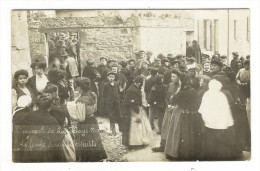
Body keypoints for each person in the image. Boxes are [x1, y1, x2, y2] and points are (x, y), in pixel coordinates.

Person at [14, 93, 66, 162]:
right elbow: (58, 138)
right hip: (47, 152)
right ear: (50, 106)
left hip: (31, 147)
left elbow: (19, 125)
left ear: (37, 105)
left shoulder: (30, 115)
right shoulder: (52, 120)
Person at [199, 76, 241, 160]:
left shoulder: (207, 94)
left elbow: (202, 110)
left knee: (211, 143)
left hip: (210, 124)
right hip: (221, 125)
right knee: (221, 145)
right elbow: (226, 110)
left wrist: (207, 120)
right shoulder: (222, 95)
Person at [164, 74, 202, 160]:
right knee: (190, 135)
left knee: (178, 135)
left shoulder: (181, 92)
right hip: (192, 116)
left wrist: (177, 92)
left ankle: (176, 153)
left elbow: (172, 100)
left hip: (181, 116)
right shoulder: (193, 90)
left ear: (182, 82)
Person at [74, 77, 107, 161]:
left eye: (76, 86)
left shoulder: (81, 101)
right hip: (92, 119)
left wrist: (69, 116)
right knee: (94, 140)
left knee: (86, 143)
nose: (75, 88)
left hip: (85, 124)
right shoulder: (92, 95)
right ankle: (96, 158)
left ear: (80, 88)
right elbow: (95, 109)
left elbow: (81, 119)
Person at [152, 69, 182, 152]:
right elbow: (166, 96)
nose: (172, 78)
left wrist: (174, 106)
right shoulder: (170, 85)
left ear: (179, 77)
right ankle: (163, 145)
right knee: (165, 127)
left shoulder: (181, 86)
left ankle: (172, 148)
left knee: (173, 129)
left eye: (174, 76)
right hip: (168, 109)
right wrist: (167, 104)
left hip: (176, 110)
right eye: (171, 76)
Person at [122, 75, 152, 149]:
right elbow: (129, 102)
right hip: (132, 111)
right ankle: (134, 144)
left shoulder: (135, 88)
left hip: (136, 109)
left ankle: (138, 142)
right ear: (138, 83)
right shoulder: (131, 90)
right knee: (135, 128)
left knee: (138, 127)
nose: (142, 86)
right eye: (142, 84)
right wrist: (137, 112)